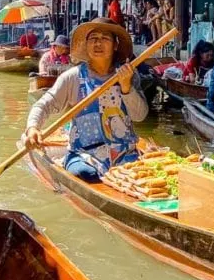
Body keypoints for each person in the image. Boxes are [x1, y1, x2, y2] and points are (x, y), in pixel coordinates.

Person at [24, 18, 148, 181]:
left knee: (141, 175)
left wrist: (126, 88)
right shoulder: (73, 77)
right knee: (86, 174)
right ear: (86, 44)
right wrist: (32, 128)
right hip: (85, 153)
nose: (98, 43)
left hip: (124, 152)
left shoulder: (128, 74)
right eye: (93, 39)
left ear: (115, 45)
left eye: (105, 38)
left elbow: (140, 116)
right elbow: (44, 105)